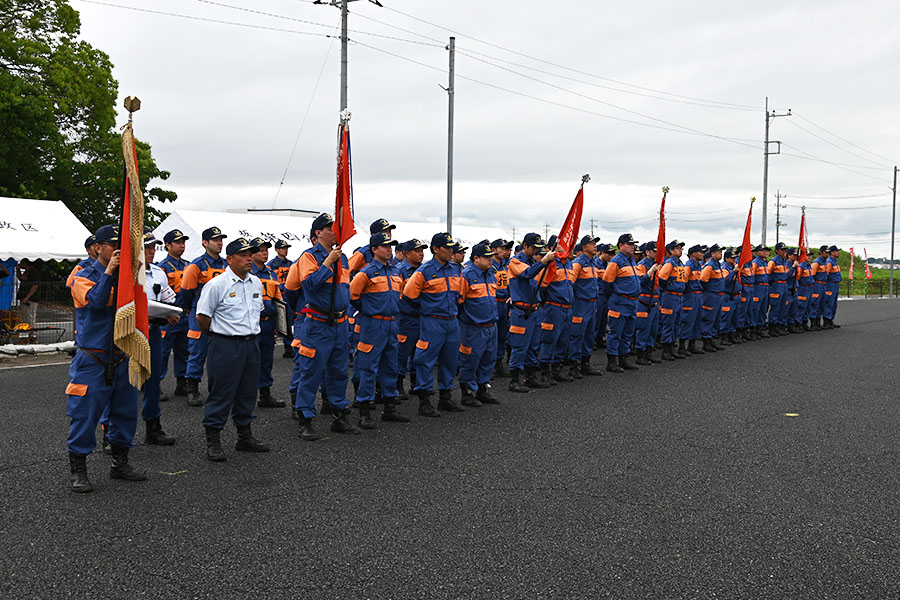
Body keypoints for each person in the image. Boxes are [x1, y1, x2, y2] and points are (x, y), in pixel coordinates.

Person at [65, 225, 146, 493]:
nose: (118, 250)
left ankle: (120, 463)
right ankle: (79, 469)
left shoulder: (130, 276)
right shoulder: (82, 275)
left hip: (122, 355)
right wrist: (109, 272)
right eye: (113, 245)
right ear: (98, 248)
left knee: (125, 412)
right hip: (93, 357)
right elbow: (97, 302)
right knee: (84, 414)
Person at [196, 237, 270, 461]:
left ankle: (244, 436)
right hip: (226, 344)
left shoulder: (256, 282)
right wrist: (220, 336)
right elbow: (202, 317)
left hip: (251, 344)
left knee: (248, 391)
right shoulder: (217, 284)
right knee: (221, 392)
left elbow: (259, 310)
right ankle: (213, 439)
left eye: (251, 254)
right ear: (230, 259)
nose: (249, 258)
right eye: (244, 254)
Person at [289, 213, 360, 440]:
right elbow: (308, 285)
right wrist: (328, 262)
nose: (334, 231)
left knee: (339, 372)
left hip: (339, 324)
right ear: (318, 233)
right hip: (318, 324)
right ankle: (305, 419)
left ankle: (339, 416)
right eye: (330, 228)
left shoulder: (345, 258)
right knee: (311, 371)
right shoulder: (309, 257)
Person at [349, 232, 409, 427]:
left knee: (390, 366)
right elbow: (353, 296)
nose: (389, 249)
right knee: (368, 368)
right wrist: (369, 311)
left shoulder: (394, 272)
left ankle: (389, 407)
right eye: (385, 246)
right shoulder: (366, 272)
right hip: (372, 325)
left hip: (392, 323)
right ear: (374, 249)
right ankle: (364, 411)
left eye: (390, 245)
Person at [401, 232, 464, 415]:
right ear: (436, 249)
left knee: (450, 360)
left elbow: (458, 296)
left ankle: (445, 398)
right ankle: (425, 400)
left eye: (453, 247)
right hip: (432, 322)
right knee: (425, 361)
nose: (451, 251)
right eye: (447, 247)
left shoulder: (455, 269)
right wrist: (426, 309)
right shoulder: (424, 271)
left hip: (452, 322)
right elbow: (408, 296)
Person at [180, 227, 227, 406]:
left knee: (221, 354)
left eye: (221, 239)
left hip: (222, 316)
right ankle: (192, 388)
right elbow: (186, 292)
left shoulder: (226, 265)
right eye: (215, 240)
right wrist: (192, 308)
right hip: (199, 315)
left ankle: (218, 388)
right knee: (197, 353)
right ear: (205, 243)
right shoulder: (196, 265)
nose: (220, 243)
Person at [139, 231, 178, 446]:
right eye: (146, 247)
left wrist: (170, 313)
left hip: (153, 331)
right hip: (130, 332)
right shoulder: (124, 272)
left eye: (154, 247)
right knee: (120, 382)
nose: (152, 251)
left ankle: (153, 427)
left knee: (152, 382)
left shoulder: (159, 272)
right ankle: (111, 433)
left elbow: (168, 299)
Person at [507, 233, 555, 392]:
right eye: (533, 247)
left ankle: (530, 376)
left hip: (534, 310)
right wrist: (543, 261)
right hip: (521, 312)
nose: (536, 251)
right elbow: (527, 274)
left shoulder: (532, 262)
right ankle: (514, 380)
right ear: (525, 246)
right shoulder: (515, 261)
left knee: (534, 345)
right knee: (519, 345)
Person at [457, 241, 500, 406]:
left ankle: (483, 389)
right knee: (470, 359)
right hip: (473, 328)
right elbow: (459, 302)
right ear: (476, 258)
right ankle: (467, 393)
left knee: (488, 359)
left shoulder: (491, 274)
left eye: (491, 257)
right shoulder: (467, 275)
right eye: (486, 257)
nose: (490, 260)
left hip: (491, 326)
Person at [250, 237, 286, 409]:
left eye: (266, 250)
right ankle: (245, 396)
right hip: (250, 324)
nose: (265, 253)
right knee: (248, 360)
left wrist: (281, 324)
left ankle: (265, 394)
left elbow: (279, 299)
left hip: (268, 324)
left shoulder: (272, 273)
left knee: (266, 360)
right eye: (260, 250)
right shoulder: (246, 273)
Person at [157, 229, 191, 400]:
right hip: (167, 317)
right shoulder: (161, 267)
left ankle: (181, 382)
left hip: (185, 315)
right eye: (178, 242)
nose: (181, 245)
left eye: (183, 242)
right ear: (168, 245)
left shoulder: (188, 265)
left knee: (183, 350)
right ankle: (155, 383)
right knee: (162, 352)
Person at [538, 235, 576, 383]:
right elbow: (541, 288)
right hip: (553, 308)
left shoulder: (569, 264)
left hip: (567, 308)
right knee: (549, 340)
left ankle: (557, 369)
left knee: (563, 339)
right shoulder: (550, 264)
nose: (567, 246)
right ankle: (545, 372)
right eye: (562, 244)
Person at [602, 234, 642, 372]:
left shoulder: (632, 261)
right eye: (629, 244)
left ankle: (623, 358)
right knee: (616, 332)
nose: (633, 247)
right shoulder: (616, 261)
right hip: (620, 301)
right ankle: (612, 361)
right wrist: (617, 296)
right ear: (620, 246)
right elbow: (607, 283)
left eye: (633, 244)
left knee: (628, 333)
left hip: (632, 302)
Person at [396, 239, 427, 402]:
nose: (421, 253)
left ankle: (415, 383)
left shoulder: (424, 270)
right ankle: (398, 384)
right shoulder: (399, 271)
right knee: (402, 352)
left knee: (420, 352)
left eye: (422, 250)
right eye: (417, 251)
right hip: (406, 319)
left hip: (422, 318)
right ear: (407, 254)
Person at [569, 235, 603, 376]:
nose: (595, 246)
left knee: (589, 334)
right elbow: (570, 284)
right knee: (577, 335)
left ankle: (585, 363)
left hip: (591, 303)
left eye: (595, 243)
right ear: (583, 247)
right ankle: (573, 365)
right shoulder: (578, 263)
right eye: (591, 244)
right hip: (580, 304)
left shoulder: (593, 263)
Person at [657, 240, 686, 361]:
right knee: (668, 323)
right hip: (670, 296)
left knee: (676, 323)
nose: (680, 250)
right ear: (671, 251)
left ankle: (672, 347)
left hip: (679, 296)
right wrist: (668, 288)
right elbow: (661, 279)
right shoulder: (669, 263)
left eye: (680, 248)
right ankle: (666, 350)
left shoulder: (679, 263)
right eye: (677, 248)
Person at [634, 241, 661, 366]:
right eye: (654, 251)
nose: (656, 253)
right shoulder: (642, 265)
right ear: (647, 252)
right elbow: (639, 281)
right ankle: (640, 354)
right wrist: (650, 271)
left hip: (655, 300)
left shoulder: (658, 264)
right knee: (643, 328)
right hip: (644, 301)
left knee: (653, 329)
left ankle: (649, 353)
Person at [490, 239, 513, 378]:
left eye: (506, 249)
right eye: (502, 248)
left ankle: (498, 361)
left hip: (504, 303)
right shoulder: (488, 265)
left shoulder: (505, 266)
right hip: (494, 302)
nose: (505, 251)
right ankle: (489, 363)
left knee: (502, 334)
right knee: (491, 335)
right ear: (493, 250)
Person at [267, 239, 294, 358]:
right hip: (278, 295)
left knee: (288, 320)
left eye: (286, 248)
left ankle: (288, 346)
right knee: (277, 321)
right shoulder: (271, 264)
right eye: (283, 248)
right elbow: (273, 281)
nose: (285, 250)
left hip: (288, 295)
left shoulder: (290, 264)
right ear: (277, 250)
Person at [678, 244, 706, 355]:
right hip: (690, 296)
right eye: (701, 252)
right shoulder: (687, 266)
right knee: (687, 320)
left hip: (698, 295)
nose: (703, 254)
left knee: (697, 321)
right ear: (693, 254)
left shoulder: (699, 265)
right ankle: (681, 346)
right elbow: (681, 282)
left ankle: (692, 345)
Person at [699, 244, 726, 352]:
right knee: (708, 318)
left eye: (721, 252)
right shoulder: (709, 265)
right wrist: (710, 291)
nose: (721, 254)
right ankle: (706, 342)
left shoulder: (717, 265)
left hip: (718, 296)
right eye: (718, 252)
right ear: (713, 253)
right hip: (711, 296)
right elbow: (703, 281)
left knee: (716, 318)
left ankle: (713, 340)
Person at [767, 242, 791, 336]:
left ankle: (780, 325)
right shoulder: (773, 261)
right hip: (776, 286)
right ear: (777, 251)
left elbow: (788, 274)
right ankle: (772, 327)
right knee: (775, 307)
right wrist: (772, 282)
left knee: (783, 306)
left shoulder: (785, 261)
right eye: (782, 250)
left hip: (784, 285)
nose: (784, 252)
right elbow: (767, 274)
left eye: (785, 250)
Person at [751, 245, 771, 338]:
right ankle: (753, 329)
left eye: (766, 250)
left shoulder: (765, 263)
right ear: (757, 252)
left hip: (765, 288)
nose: (765, 252)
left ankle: (760, 327)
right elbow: (752, 277)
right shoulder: (755, 263)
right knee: (756, 309)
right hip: (758, 288)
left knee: (764, 309)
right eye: (763, 250)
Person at [793, 249, 815, 332]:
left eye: (810, 255)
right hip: (803, 288)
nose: (809, 257)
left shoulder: (809, 266)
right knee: (801, 306)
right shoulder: (801, 266)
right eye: (807, 255)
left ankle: (804, 323)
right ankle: (798, 323)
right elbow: (797, 278)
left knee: (808, 306)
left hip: (809, 288)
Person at [809, 245, 829, 330]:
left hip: (823, 284)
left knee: (821, 304)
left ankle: (818, 321)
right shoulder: (816, 262)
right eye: (826, 252)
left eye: (828, 252)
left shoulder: (824, 262)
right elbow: (812, 275)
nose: (827, 254)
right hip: (817, 285)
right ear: (821, 252)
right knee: (815, 303)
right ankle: (813, 322)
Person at [15, 258, 39, 328]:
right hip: (24, 297)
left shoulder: (33, 272)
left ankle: (31, 335)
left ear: (25, 263)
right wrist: (18, 270)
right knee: (24, 317)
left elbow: (35, 286)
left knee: (30, 317)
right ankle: (25, 334)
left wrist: (27, 297)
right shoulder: (26, 272)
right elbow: (21, 278)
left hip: (31, 299)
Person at [823, 245, 842, 328]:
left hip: (835, 284)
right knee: (828, 302)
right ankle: (826, 321)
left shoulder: (835, 261)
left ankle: (831, 320)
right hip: (830, 284)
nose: (838, 253)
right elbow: (826, 274)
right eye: (837, 251)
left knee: (833, 303)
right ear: (832, 252)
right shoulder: (829, 262)